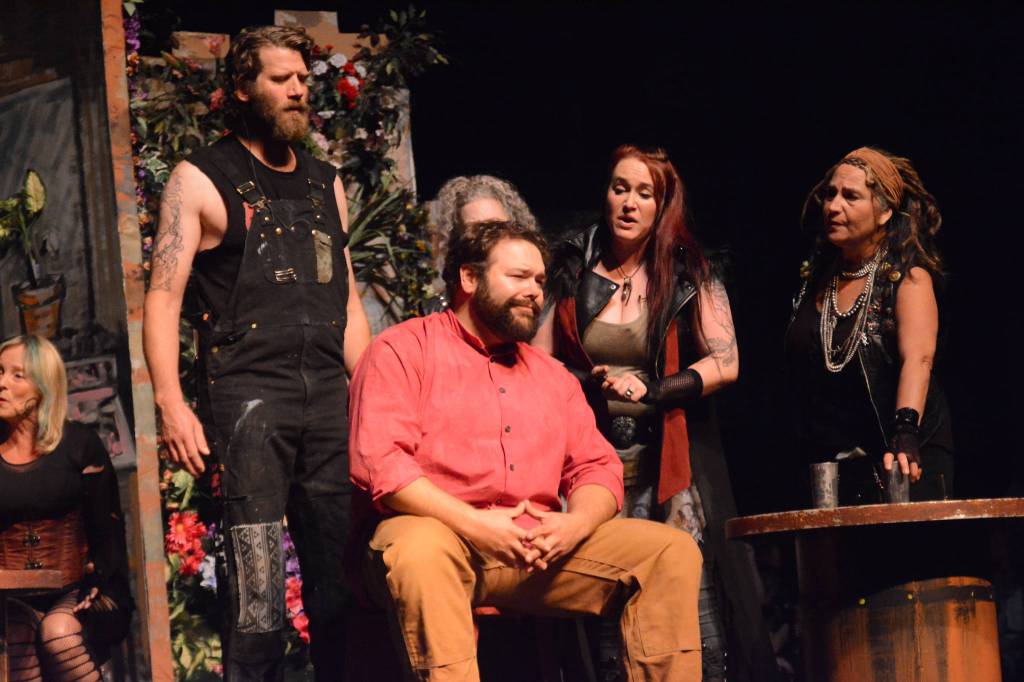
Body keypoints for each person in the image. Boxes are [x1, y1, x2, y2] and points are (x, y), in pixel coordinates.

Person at [349, 219, 703, 681]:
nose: (535, 291)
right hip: (441, 538)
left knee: (669, 552)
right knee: (419, 550)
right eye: (518, 277)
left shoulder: (552, 377)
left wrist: (574, 524)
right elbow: (383, 465)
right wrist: (476, 525)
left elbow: (597, 468)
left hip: (534, 549)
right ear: (469, 279)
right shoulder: (401, 350)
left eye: (538, 281)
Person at [141, 25, 371, 679]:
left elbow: (348, 301)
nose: (298, 89)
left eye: (303, 79)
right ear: (243, 88)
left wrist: (380, 395)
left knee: (343, 587)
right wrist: (171, 403)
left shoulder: (325, 181)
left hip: (329, 403)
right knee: (258, 596)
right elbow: (162, 298)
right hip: (251, 406)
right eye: (281, 79)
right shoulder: (199, 179)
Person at [535, 144, 778, 681]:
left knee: (687, 597)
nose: (628, 203)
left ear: (662, 203)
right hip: (593, 462)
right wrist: (585, 384)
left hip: (669, 455)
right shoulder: (573, 263)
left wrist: (653, 389)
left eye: (645, 193)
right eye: (620, 188)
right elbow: (540, 360)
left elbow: (728, 361)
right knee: (607, 599)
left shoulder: (689, 270)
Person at [785, 146, 953, 504]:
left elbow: (918, 359)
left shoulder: (907, 278)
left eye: (851, 197)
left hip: (905, 459)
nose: (833, 206)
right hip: (838, 461)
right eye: (830, 194)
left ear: (885, 212)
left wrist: (905, 432)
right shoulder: (817, 280)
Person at [0, 335, 134, 681]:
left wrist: (99, 579)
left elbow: (108, 526)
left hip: (77, 589)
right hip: (7, 596)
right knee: (17, 639)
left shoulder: (78, 444)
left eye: (17, 375)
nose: (1, 383)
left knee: (59, 634)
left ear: (43, 386)